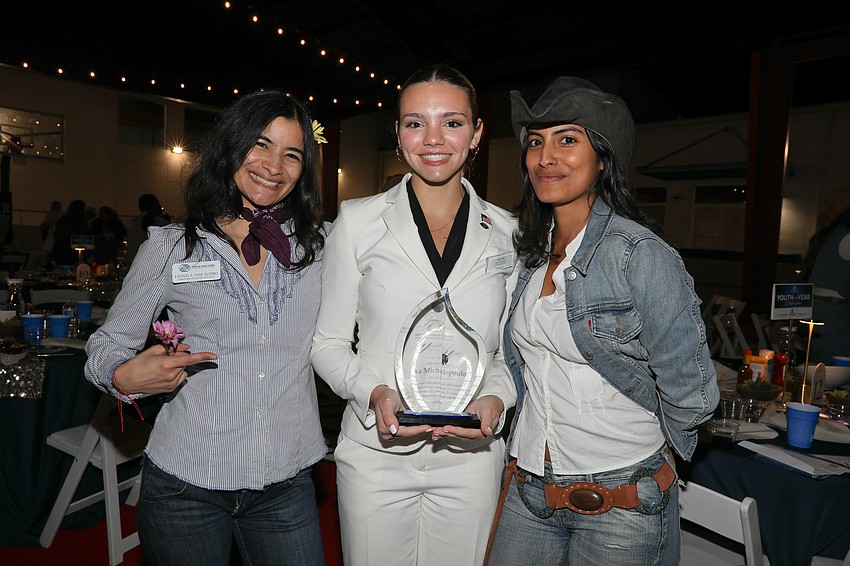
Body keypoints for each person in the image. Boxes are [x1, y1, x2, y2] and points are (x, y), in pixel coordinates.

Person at [85, 90, 328, 566]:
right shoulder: (171, 248)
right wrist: (120, 376)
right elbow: (107, 345)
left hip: (285, 481)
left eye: (292, 154)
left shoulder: (323, 249)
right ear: (230, 148)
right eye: (260, 145)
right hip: (184, 484)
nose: (273, 166)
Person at [487, 77, 719, 565]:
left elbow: (693, 391)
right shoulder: (530, 252)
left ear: (602, 157)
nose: (544, 157)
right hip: (529, 483)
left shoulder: (640, 255)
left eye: (567, 139)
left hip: (621, 496)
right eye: (535, 142)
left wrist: (656, 461)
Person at [311, 63, 517, 566]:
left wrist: (498, 397)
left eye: (452, 122)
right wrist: (373, 392)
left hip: (471, 458)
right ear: (398, 136)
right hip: (377, 452)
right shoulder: (357, 220)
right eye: (414, 123)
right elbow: (327, 343)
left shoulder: (508, 231)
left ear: (476, 134)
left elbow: (512, 351)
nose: (433, 139)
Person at [800, 181, 850, 363]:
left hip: (819, 310)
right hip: (833, 313)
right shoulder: (846, 237)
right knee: (837, 369)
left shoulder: (831, 235)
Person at [126, 193, 171, 261]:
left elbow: (131, 244)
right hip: (156, 260)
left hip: (137, 259)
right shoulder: (163, 223)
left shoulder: (136, 221)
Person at [50, 199, 90, 267]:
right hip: (76, 253)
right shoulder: (82, 222)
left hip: (62, 251)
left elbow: (57, 236)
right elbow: (84, 238)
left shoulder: (63, 220)